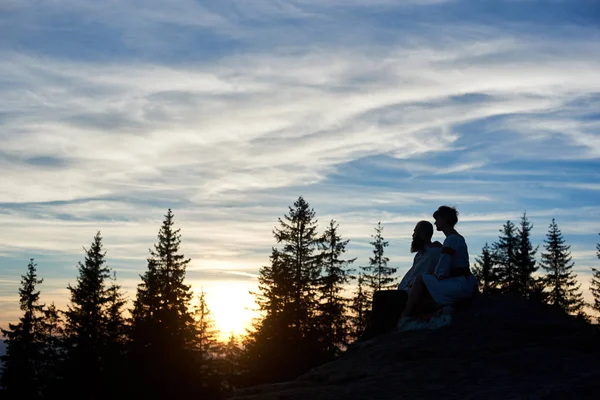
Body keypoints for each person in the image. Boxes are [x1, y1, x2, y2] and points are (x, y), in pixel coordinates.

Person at [398, 206, 478, 330]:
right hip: (463, 282)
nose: (435, 222)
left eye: (437, 219)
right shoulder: (454, 239)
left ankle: (405, 317)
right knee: (424, 282)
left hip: (459, 284)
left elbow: (442, 271)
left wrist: (433, 277)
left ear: (444, 219)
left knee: (420, 280)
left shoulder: (451, 240)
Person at [360, 221, 442, 340]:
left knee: (380, 297)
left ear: (423, 233)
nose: (413, 235)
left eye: (415, 232)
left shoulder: (434, 252)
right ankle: (370, 336)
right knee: (381, 299)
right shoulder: (420, 255)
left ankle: (371, 337)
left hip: (415, 294)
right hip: (406, 291)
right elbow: (409, 276)